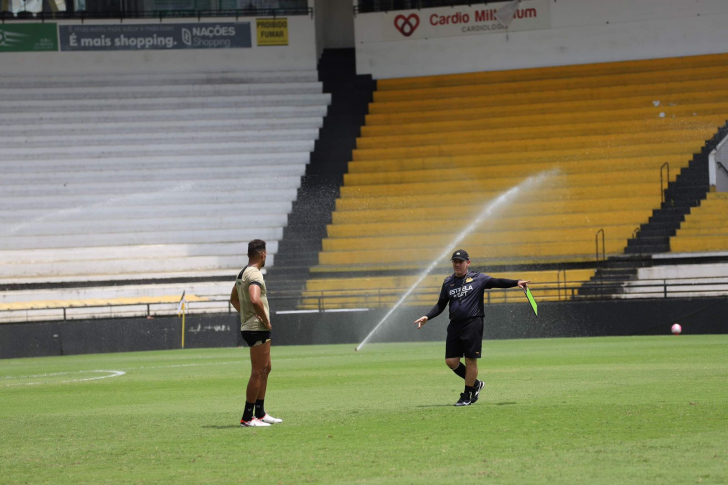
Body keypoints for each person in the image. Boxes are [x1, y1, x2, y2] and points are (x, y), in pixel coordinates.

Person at [414, 249, 530, 407]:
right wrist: (427, 316)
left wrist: (516, 282)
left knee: (470, 359)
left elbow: (496, 282)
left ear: (468, 263)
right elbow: (441, 304)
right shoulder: (448, 282)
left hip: (473, 323)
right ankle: (475, 384)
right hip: (455, 325)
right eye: (454, 262)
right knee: (451, 361)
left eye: (460, 262)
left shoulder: (478, 278)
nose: (457, 264)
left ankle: (467, 395)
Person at [230, 239, 282, 427]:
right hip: (257, 329)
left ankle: (260, 412)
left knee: (266, 368)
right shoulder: (255, 274)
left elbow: (233, 299)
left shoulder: (243, 272)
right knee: (258, 371)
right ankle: (247, 417)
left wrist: (247, 315)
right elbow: (254, 298)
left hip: (251, 326)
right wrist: (264, 319)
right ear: (262, 255)